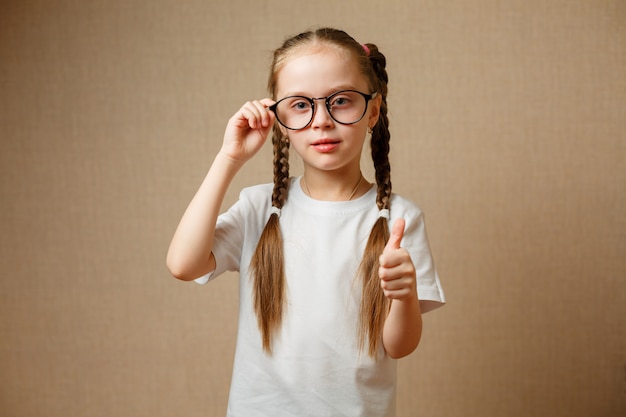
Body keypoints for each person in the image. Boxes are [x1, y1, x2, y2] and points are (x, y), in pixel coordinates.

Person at [166, 27, 445, 417]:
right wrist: (229, 158)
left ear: (374, 111)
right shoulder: (259, 208)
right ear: (277, 118)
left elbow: (399, 346)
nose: (321, 121)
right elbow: (183, 264)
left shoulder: (399, 218)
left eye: (342, 101)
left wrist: (403, 295)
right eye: (300, 105)